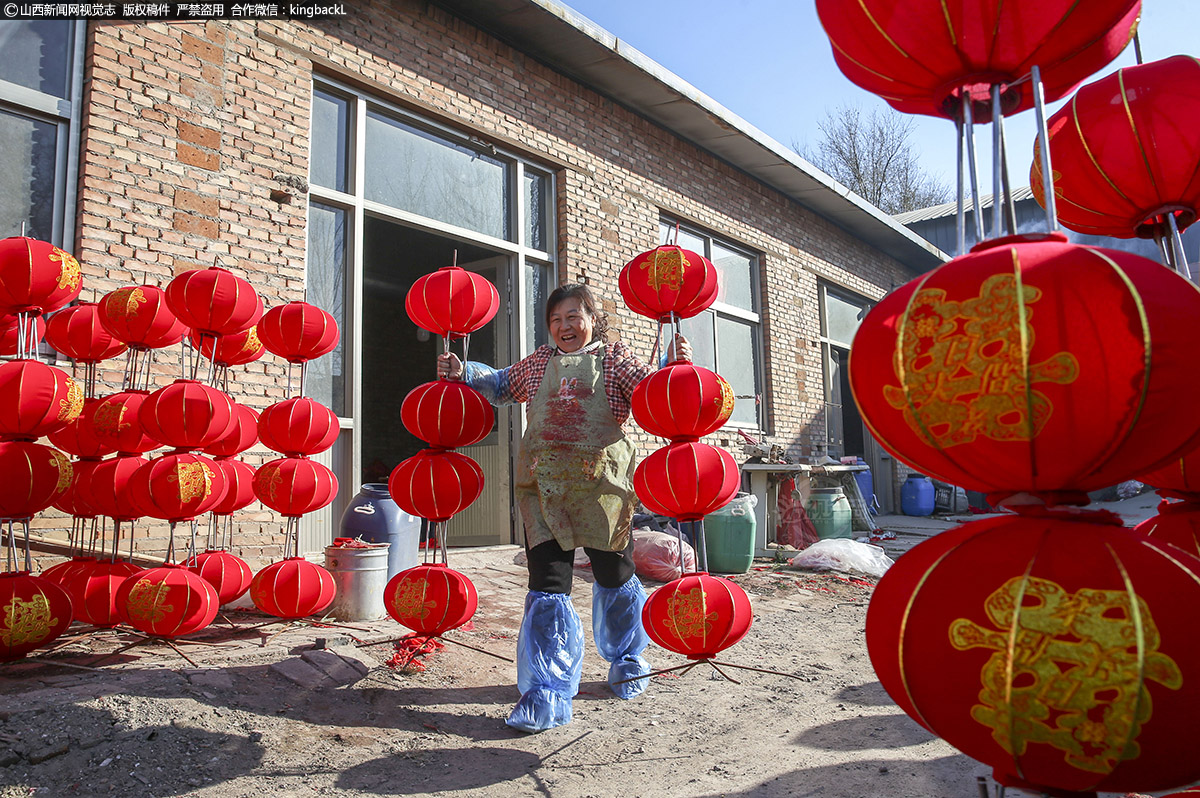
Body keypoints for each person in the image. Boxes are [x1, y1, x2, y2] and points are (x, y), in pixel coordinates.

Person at [437, 283, 690, 733]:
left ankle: (628, 660)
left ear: (592, 319)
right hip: (543, 491)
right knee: (548, 583)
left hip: (602, 493)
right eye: (555, 319)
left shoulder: (614, 360)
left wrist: (674, 365)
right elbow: (499, 384)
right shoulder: (538, 363)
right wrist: (465, 370)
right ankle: (547, 692)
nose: (563, 326)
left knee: (615, 575)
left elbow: (654, 391)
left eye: (573, 316)